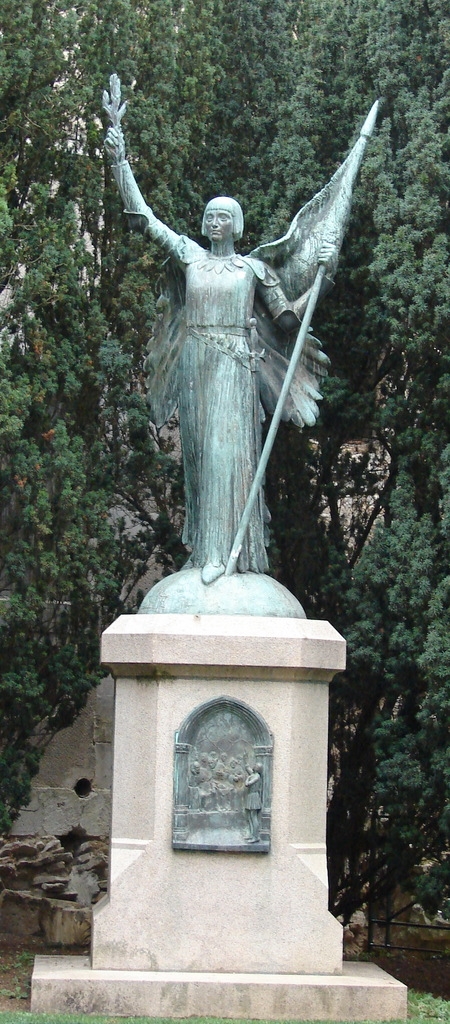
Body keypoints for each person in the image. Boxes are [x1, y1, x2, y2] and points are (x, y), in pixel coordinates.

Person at [105, 125, 334, 584]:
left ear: (237, 224)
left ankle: (229, 556)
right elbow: (146, 219)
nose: (214, 223)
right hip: (195, 364)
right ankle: (204, 552)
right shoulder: (190, 257)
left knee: (228, 455)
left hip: (235, 367)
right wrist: (120, 161)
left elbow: (288, 320)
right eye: (209, 216)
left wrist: (321, 281)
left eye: (223, 217)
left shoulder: (254, 270)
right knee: (199, 459)